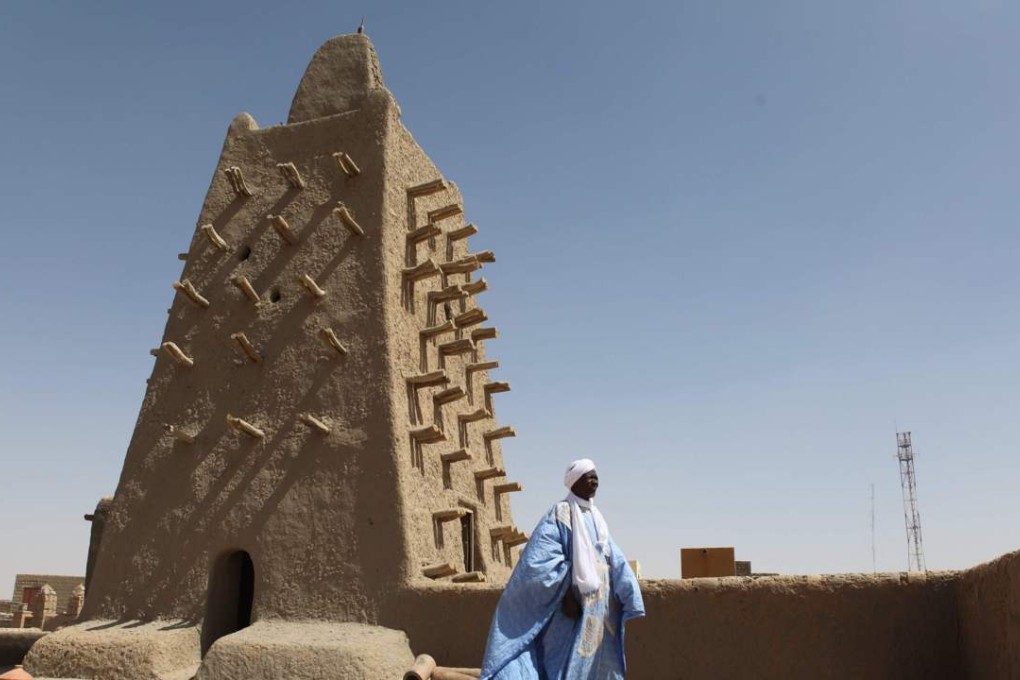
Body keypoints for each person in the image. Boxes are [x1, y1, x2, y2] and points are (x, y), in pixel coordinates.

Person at [480, 459, 645, 679]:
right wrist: (567, 591)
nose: (594, 480)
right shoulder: (561, 513)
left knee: (596, 663)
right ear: (575, 482)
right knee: (563, 659)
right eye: (588, 476)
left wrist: (628, 590)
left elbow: (613, 556)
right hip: (570, 607)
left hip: (598, 609)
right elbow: (540, 561)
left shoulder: (597, 518)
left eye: (595, 476)